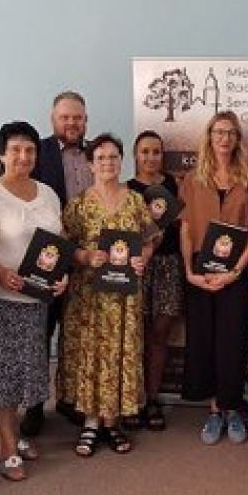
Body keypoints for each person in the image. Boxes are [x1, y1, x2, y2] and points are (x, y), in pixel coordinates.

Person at [0, 122, 68, 480]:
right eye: (15, 150)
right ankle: (7, 448)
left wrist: (62, 274)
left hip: (38, 300)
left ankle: (10, 433)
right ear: (2, 154)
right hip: (3, 299)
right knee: (4, 373)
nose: (23, 156)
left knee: (28, 370)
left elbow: (58, 241)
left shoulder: (48, 194)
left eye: (29, 150)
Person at [58, 134, 152, 457]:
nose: (107, 163)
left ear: (121, 161)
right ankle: (90, 422)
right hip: (89, 294)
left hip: (125, 296)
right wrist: (85, 256)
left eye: (113, 157)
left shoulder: (136, 201)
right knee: (91, 353)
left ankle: (112, 422)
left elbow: (149, 239)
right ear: (90, 164)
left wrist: (143, 259)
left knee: (119, 353)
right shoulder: (79, 204)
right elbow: (65, 246)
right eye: (100, 158)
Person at [180, 111, 248, 445]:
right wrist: (189, 271)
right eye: (218, 132)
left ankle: (232, 408)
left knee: (233, 341)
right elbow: (186, 229)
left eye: (230, 133)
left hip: (235, 273)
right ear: (209, 136)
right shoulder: (192, 179)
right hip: (201, 271)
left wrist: (236, 271)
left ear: (237, 138)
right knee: (205, 341)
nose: (224, 138)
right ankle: (215, 410)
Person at [25, 90, 92, 435]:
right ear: (53, 120)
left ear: (86, 120)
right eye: (65, 117)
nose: (72, 123)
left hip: (92, 258)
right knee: (41, 331)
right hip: (49, 254)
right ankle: (35, 405)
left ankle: (70, 398)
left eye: (77, 117)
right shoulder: (38, 152)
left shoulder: (97, 153)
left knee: (80, 332)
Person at [125, 130, 184, 432]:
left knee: (160, 334)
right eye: (145, 151)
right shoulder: (127, 189)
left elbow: (183, 224)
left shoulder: (173, 184)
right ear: (136, 155)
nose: (150, 157)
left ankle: (151, 398)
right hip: (138, 266)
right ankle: (133, 399)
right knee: (136, 334)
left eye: (156, 152)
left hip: (169, 265)